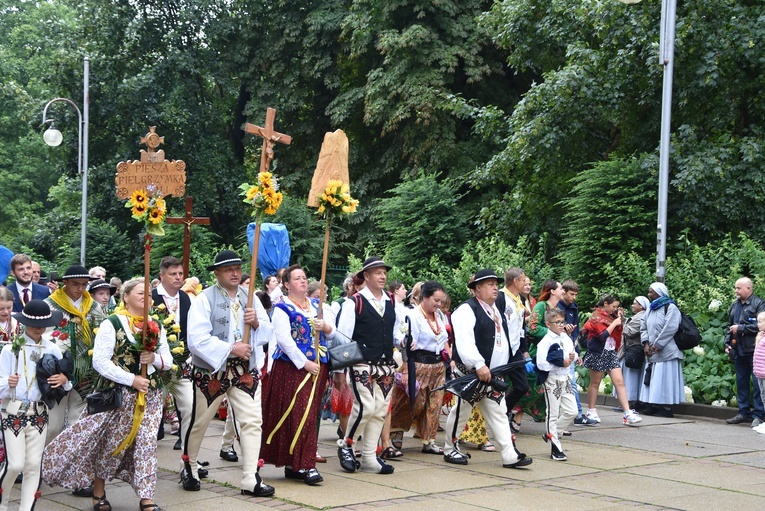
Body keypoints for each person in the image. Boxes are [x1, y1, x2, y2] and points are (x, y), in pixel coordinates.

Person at [42, 278, 172, 511]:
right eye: (141, 293)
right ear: (125, 296)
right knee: (109, 443)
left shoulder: (155, 324)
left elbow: (168, 360)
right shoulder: (112, 323)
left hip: (148, 397)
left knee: (147, 443)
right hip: (117, 396)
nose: (147, 298)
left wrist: (154, 359)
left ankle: (147, 499)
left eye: (149, 294)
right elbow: (100, 362)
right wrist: (131, 378)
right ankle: (98, 491)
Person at [181, 250, 275, 497]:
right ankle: (189, 466)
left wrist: (255, 323)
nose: (235, 273)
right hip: (213, 370)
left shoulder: (251, 297)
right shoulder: (204, 299)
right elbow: (196, 339)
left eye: (237, 268)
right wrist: (231, 348)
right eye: (228, 269)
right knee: (200, 422)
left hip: (245, 369)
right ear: (217, 273)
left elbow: (267, 332)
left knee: (253, 421)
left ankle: (250, 477)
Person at [442, 269, 532, 469]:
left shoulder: (495, 310)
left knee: (498, 413)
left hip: (492, 375)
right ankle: (449, 449)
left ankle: (509, 454)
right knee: (461, 413)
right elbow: (465, 342)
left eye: (495, 283)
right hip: (472, 374)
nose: (495, 287)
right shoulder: (466, 310)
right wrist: (479, 364)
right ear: (476, 289)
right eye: (489, 284)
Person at [261, 265, 335, 485]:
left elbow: (331, 336)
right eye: (297, 278)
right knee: (297, 413)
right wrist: (304, 364)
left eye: (305, 277)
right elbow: (284, 340)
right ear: (286, 284)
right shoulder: (282, 308)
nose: (303, 281)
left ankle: (300, 463)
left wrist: (326, 327)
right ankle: (303, 464)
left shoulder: (316, 306)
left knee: (311, 415)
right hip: (293, 369)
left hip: (318, 367)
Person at [1, 300, 71, 511]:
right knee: (15, 464)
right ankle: (2, 503)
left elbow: (66, 382)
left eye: (43, 323)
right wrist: (6, 383)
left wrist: (63, 379)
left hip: (39, 412)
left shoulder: (52, 348)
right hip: (13, 410)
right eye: (32, 323)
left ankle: (26, 508)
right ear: (24, 323)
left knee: (33, 465)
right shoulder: (10, 349)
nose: (38, 327)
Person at [336, 256, 401, 475]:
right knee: (365, 407)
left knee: (380, 410)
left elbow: (394, 332)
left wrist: (403, 341)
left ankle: (370, 456)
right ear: (366, 276)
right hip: (361, 362)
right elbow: (342, 338)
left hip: (385, 363)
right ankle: (346, 446)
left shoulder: (391, 301)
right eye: (377, 272)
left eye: (384, 272)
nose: (383, 276)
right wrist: (340, 370)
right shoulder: (354, 302)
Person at [44, 265, 105, 447]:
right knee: (53, 425)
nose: (80, 289)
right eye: (75, 284)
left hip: (85, 371)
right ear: (65, 283)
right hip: (57, 372)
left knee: (77, 423)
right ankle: (41, 463)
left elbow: (101, 336)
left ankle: (70, 466)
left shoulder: (94, 307)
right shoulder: (50, 304)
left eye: (84, 284)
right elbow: (42, 339)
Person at [389, 280, 448, 455]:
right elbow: (405, 342)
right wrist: (406, 369)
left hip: (437, 366)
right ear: (424, 297)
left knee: (435, 403)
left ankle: (428, 439)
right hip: (418, 364)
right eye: (435, 300)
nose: (438, 304)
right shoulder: (412, 316)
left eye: (440, 301)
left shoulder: (440, 316)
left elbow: (443, 341)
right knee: (412, 402)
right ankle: (396, 432)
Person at [151, 257, 194, 454]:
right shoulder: (151, 298)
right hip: (156, 363)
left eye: (180, 274)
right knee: (152, 411)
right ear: (161, 276)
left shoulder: (186, 298)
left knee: (190, 407)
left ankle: (188, 455)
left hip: (182, 361)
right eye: (173, 274)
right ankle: (145, 449)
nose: (178, 278)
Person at [581, 295, 642, 425]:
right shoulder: (596, 316)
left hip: (610, 352)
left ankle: (627, 413)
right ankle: (591, 410)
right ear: (606, 304)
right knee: (595, 383)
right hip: (598, 352)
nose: (614, 309)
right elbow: (602, 336)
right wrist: (614, 323)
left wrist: (618, 318)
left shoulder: (612, 317)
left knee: (619, 381)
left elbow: (619, 330)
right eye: (613, 306)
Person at [536, 308, 577, 461]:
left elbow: (571, 351)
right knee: (552, 413)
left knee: (571, 411)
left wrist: (573, 356)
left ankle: (552, 433)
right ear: (548, 324)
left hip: (565, 379)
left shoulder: (565, 337)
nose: (561, 325)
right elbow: (541, 364)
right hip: (552, 379)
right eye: (557, 322)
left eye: (562, 322)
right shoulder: (545, 342)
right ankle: (555, 446)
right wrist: (560, 364)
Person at [724, 277, 765, 427]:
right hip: (739, 349)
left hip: (755, 351)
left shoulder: (758, 304)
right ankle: (743, 412)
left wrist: (740, 328)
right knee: (741, 382)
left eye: (739, 288)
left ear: (748, 288)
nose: (736, 291)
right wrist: (727, 343)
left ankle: (759, 414)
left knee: (757, 383)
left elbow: (761, 326)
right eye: (736, 288)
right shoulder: (735, 305)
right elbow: (729, 326)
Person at [639, 283, 684, 418]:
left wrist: (658, 344)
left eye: (651, 292)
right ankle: (654, 405)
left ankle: (666, 407)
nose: (649, 295)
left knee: (665, 379)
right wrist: (646, 343)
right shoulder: (650, 309)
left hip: (667, 352)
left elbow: (670, 327)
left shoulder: (671, 307)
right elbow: (643, 326)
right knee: (654, 379)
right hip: (652, 351)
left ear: (659, 292)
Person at [558, 280, 593, 426]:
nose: (574, 298)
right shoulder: (557, 306)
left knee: (570, 382)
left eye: (575, 295)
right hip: (559, 347)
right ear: (563, 291)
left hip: (570, 347)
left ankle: (576, 413)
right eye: (571, 294)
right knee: (569, 383)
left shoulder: (573, 307)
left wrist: (577, 351)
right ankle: (577, 414)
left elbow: (576, 332)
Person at [619, 296, 650, 411]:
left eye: (634, 303)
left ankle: (630, 403)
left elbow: (630, 331)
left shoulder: (641, 316)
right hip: (633, 350)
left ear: (641, 306)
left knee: (631, 377)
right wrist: (622, 320)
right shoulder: (639, 316)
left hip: (634, 350)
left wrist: (618, 325)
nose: (632, 306)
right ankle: (628, 402)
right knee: (630, 376)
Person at [752, 311, 765, 434]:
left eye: (760, 322)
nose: (758, 324)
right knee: (763, 397)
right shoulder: (760, 336)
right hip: (760, 372)